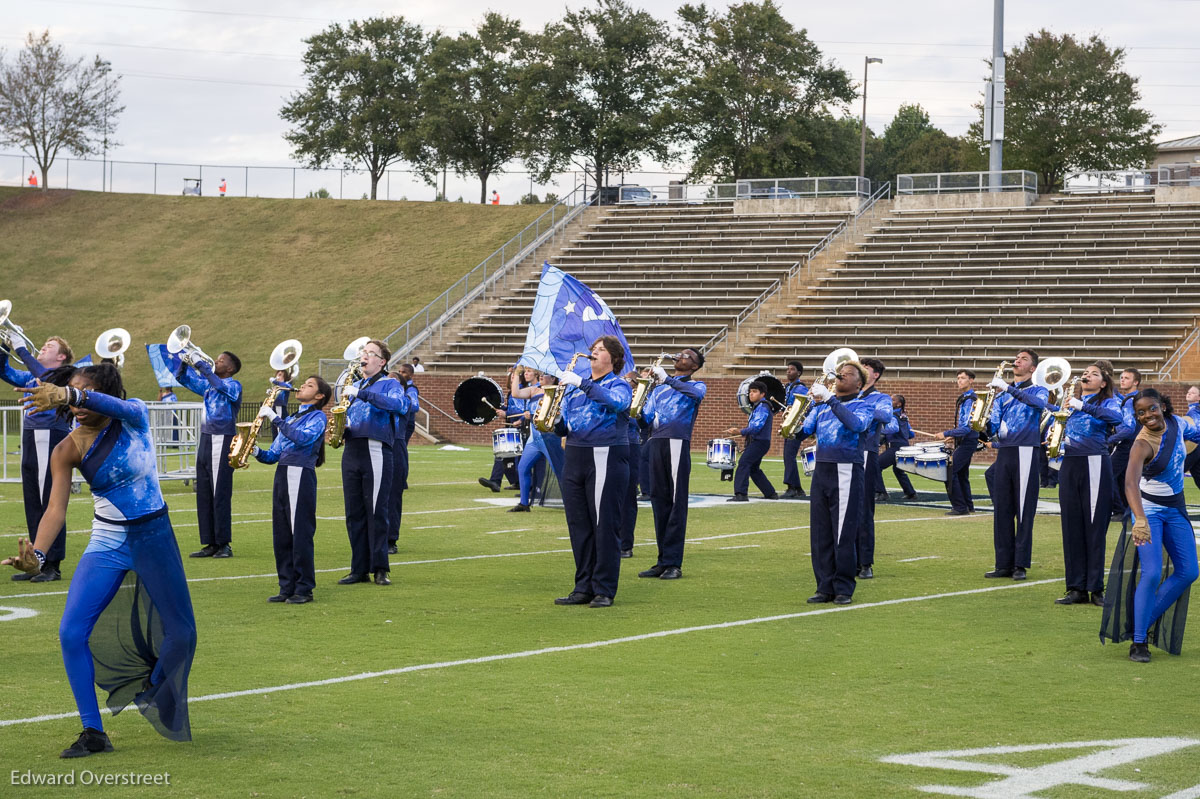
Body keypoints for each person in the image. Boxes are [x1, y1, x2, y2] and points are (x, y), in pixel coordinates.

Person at [3, 364, 197, 756]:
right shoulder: (67, 448)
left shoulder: (134, 415)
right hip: (107, 540)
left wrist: (70, 393)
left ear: (105, 391)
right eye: (71, 393)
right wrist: (38, 557)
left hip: (154, 537)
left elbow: (108, 404)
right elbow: (55, 509)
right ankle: (93, 732)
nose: (75, 402)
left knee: (183, 635)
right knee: (71, 633)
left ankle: (152, 687)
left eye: (85, 393)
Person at [1102, 388, 1200, 662]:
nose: (1148, 416)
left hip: (1175, 507)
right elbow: (1130, 483)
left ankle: (1139, 624)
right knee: (1153, 573)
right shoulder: (1141, 443)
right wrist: (1140, 520)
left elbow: (1196, 433)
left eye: (1152, 409)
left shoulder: (1178, 423)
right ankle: (1139, 642)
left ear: (1163, 406)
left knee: (1189, 571)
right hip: (1148, 510)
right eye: (1141, 413)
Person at [553, 336, 632, 608]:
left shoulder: (619, 384)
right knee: (579, 525)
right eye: (593, 350)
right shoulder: (575, 389)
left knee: (604, 524)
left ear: (613, 357)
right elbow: (566, 427)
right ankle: (583, 586)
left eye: (600, 350)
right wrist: (553, 421)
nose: (594, 353)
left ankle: (604, 588)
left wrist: (582, 383)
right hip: (575, 454)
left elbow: (617, 404)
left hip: (605, 454)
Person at [0, 334, 74, 581]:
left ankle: (53, 563)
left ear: (61, 356)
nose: (42, 347)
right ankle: (36, 561)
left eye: (49, 346)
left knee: (48, 501)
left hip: (51, 434)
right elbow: (5, 372)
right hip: (32, 435)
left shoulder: (63, 374)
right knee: (33, 501)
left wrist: (21, 348)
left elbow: (46, 377)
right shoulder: (33, 375)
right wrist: (3, 347)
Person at [800, 360, 873, 605]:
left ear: (859, 383)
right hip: (822, 468)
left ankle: (843, 587)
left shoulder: (863, 405)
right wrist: (807, 404)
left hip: (846, 469)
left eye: (848, 373)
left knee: (842, 531)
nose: (841, 375)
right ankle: (824, 586)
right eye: (840, 372)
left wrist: (830, 400)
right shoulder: (821, 407)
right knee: (821, 532)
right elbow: (803, 430)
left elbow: (856, 425)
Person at [1049, 362, 1121, 606]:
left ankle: (1096, 588)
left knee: (1094, 526)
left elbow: (1117, 418)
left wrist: (1084, 406)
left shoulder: (1106, 402)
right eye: (1085, 373)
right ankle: (1076, 588)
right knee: (1071, 527)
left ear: (1103, 382)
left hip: (1094, 463)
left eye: (1094, 374)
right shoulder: (1069, 402)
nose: (1086, 375)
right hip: (1070, 463)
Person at [254, 375, 331, 604]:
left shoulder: (318, 416)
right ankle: (286, 586)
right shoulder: (293, 417)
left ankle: (304, 588)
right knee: (282, 534)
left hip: (300, 473)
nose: (303, 386)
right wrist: (255, 449)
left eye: (309, 385)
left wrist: (276, 420)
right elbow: (273, 455)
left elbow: (303, 439)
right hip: (283, 474)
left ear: (319, 396)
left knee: (300, 533)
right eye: (304, 383)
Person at [338, 340, 408, 586]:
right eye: (363, 352)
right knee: (353, 512)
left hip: (376, 448)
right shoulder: (354, 384)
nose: (364, 356)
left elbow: (399, 406)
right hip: (353, 450)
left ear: (382, 361)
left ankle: (380, 567)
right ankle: (358, 569)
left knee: (377, 509)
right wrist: (340, 430)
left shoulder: (390, 383)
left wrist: (363, 394)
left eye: (370, 353)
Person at [638, 348, 706, 579]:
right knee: (660, 502)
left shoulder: (697, 385)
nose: (680, 356)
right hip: (656, 442)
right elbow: (646, 418)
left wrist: (667, 379)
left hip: (677, 441)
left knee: (677, 503)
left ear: (695, 366)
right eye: (681, 354)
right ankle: (662, 560)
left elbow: (695, 396)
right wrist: (635, 409)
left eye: (687, 356)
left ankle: (674, 562)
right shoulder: (659, 388)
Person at [984, 349, 1050, 581]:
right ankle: (1003, 563)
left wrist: (1007, 388)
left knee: (1024, 510)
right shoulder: (1001, 394)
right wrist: (982, 423)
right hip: (1006, 452)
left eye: (1023, 359)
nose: (1017, 361)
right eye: (1017, 358)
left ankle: (1020, 563)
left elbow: (1038, 404)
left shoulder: (1039, 389)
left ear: (1032, 368)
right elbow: (993, 425)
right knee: (1002, 509)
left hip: (1026, 451)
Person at [175, 349, 243, 559]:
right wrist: (185, 362)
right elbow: (182, 379)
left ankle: (224, 543)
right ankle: (210, 542)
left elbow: (222, 387)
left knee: (219, 491)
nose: (216, 361)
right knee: (204, 491)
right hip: (206, 438)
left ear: (230, 368)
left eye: (221, 360)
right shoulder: (208, 385)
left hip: (222, 439)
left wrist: (203, 366)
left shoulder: (233, 384)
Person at [855, 357, 897, 580]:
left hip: (866, 453)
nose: (860, 371)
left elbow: (886, 415)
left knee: (863, 509)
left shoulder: (880, 397)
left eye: (866, 368)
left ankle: (865, 562)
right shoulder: (849, 395)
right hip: (845, 453)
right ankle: (847, 558)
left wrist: (859, 405)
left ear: (876, 375)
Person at [508, 371, 563, 512]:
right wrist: (516, 374)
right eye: (541, 375)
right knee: (523, 468)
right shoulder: (534, 390)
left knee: (560, 472)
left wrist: (531, 415)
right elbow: (515, 393)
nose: (542, 377)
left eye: (546, 375)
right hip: (534, 439)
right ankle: (524, 503)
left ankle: (573, 502)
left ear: (553, 378)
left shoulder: (558, 392)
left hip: (550, 438)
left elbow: (554, 415)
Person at [723, 380, 778, 501]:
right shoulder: (758, 406)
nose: (751, 394)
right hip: (759, 442)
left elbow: (757, 427)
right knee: (753, 468)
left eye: (754, 391)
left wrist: (740, 432)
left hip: (760, 442)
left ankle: (741, 494)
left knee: (744, 463)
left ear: (762, 394)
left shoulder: (763, 407)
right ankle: (770, 493)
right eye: (750, 392)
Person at [386, 363, 420, 551]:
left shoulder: (406, 398)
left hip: (395, 447)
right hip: (377, 446)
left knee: (393, 496)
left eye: (394, 381)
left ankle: (391, 538)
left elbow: (413, 405)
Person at [478, 368, 523, 493]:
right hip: (512, 427)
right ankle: (512, 482)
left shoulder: (521, 391)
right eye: (511, 376)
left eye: (515, 375)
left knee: (505, 454)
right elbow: (514, 408)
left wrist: (506, 413)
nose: (512, 377)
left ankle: (499, 481)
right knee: (503, 454)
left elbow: (523, 411)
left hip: (521, 428)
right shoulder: (513, 392)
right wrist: (503, 408)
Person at [942, 370, 979, 516]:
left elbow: (967, 427)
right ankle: (968, 505)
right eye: (958, 378)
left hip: (968, 440)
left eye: (963, 378)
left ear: (971, 380)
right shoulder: (965, 398)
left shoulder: (971, 399)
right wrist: (954, 436)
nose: (959, 381)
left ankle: (959, 506)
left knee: (949, 471)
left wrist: (947, 433)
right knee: (962, 474)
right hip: (965, 439)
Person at [1108, 368, 1142, 519]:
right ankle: (1126, 510)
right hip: (1135, 443)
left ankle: (1119, 509)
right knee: (1124, 477)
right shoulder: (1135, 398)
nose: (1122, 380)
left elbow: (1128, 428)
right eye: (1121, 377)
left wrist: (1110, 440)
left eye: (1127, 378)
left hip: (1127, 443)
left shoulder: (1130, 401)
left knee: (1108, 473)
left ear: (1136, 382)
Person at [878, 394, 917, 501]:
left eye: (892, 400)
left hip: (895, 447)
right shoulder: (903, 416)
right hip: (903, 446)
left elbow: (893, 429)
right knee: (898, 470)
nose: (890, 401)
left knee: (876, 465)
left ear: (898, 404)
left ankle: (881, 492)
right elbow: (911, 434)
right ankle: (910, 492)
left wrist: (880, 429)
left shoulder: (893, 415)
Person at [780, 360, 809, 499]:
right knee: (788, 455)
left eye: (791, 369)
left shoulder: (800, 388)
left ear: (799, 372)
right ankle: (797, 488)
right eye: (787, 369)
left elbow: (806, 403)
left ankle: (792, 487)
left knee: (789, 455)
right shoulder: (788, 387)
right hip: (789, 424)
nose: (788, 371)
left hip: (796, 426)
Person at [1182, 385, 1200, 490]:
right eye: (1188, 392)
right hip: (1196, 446)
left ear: (1198, 398)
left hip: (1194, 446)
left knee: (1176, 472)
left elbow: (1196, 430)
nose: (1189, 393)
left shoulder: (1194, 411)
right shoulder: (1194, 410)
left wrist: (1182, 436)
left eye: (1192, 393)